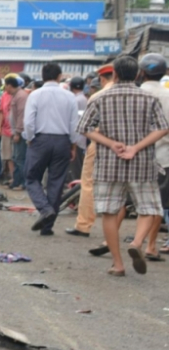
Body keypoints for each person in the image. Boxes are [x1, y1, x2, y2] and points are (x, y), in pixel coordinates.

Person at [76, 55, 169, 276]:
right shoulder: (149, 99)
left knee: (110, 211)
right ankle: (137, 242)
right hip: (142, 162)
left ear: (115, 74)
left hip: (109, 162)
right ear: (137, 74)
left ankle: (118, 265)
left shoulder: (101, 98)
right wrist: (136, 147)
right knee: (149, 208)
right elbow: (162, 128)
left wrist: (111, 143)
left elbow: (85, 128)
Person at [23, 62, 81, 236]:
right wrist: (73, 145)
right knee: (56, 182)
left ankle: (44, 209)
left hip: (40, 139)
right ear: (59, 76)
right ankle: (47, 226)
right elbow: (74, 124)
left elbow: (28, 121)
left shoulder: (35, 95)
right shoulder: (69, 96)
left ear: (42, 76)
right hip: (63, 141)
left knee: (31, 177)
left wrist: (30, 138)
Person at [68, 65, 115, 239]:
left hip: (100, 143)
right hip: (129, 146)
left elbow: (84, 127)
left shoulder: (98, 96)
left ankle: (84, 225)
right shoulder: (140, 95)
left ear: (103, 79)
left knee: (88, 183)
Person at [137, 53, 169, 258]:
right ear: (165, 72)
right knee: (158, 202)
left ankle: (110, 240)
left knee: (129, 200)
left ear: (141, 72)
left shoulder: (132, 94)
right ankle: (150, 245)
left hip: (132, 157)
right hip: (163, 157)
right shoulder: (167, 96)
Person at [8, 76, 30, 190]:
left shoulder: (21, 96)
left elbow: (22, 115)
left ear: (10, 85)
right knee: (16, 158)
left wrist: (17, 132)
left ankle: (23, 183)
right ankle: (16, 181)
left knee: (20, 159)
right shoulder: (17, 95)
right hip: (17, 131)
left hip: (20, 132)